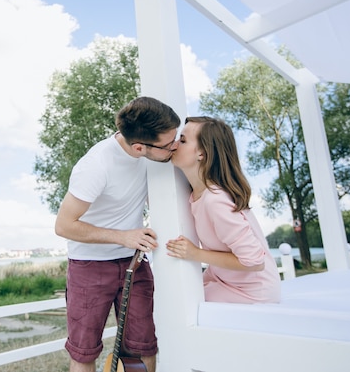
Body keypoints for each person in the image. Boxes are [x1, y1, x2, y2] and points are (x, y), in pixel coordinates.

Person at [55, 96, 181, 372]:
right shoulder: (95, 166)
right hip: (89, 268)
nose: (174, 147)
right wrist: (123, 237)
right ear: (139, 147)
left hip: (134, 265)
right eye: (168, 144)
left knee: (143, 346)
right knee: (84, 351)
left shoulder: (153, 155)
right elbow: (64, 225)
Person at [166, 116, 281, 304]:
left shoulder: (216, 201)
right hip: (222, 279)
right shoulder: (195, 194)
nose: (175, 144)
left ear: (202, 153)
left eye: (183, 140)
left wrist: (195, 254)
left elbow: (254, 261)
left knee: (180, 306)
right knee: (172, 298)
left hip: (253, 291)